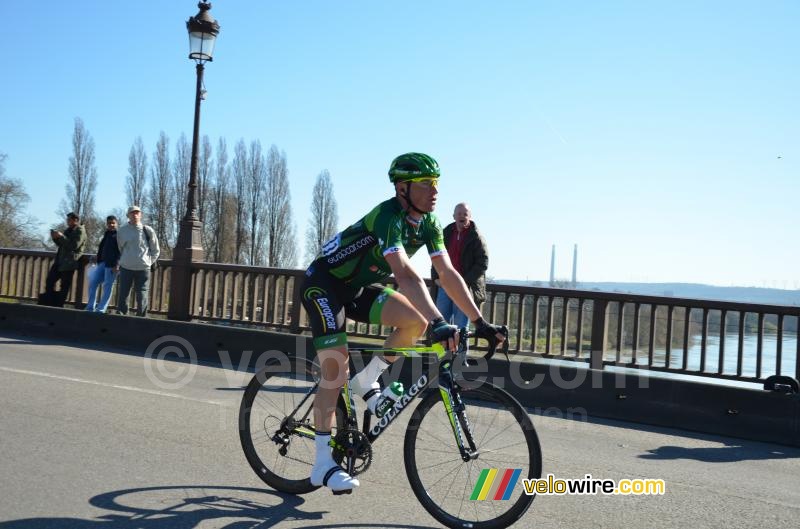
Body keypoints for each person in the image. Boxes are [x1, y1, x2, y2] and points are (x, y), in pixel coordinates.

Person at [301, 152, 506, 493]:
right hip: (323, 283)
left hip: (356, 287)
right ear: (402, 188)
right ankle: (322, 463)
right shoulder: (387, 217)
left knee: (415, 323)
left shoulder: (427, 223)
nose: (434, 190)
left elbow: (447, 273)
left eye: (436, 183)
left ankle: (368, 379)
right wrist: (441, 319)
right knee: (335, 370)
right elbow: (406, 275)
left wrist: (479, 321)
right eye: (426, 183)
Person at [431, 203, 489, 329]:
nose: (462, 216)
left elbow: (483, 262)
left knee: (461, 326)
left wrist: (464, 281)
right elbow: (435, 256)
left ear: (470, 216)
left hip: (465, 288)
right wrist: (435, 278)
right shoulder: (445, 233)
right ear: (454, 216)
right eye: (459, 214)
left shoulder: (476, 237)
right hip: (444, 285)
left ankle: (460, 350)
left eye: (465, 214)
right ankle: (441, 349)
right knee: (441, 324)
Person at [116, 205, 159, 316]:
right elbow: (120, 247)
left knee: (142, 294)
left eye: (137, 213)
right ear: (128, 215)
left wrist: (149, 262)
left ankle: (142, 318)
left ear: (140, 215)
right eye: (132, 213)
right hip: (126, 267)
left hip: (143, 268)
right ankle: (122, 317)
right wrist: (124, 260)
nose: (135, 215)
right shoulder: (122, 230)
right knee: (123, 294)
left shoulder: (148, 230)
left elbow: (156, 249)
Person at [41, 212, 86, 307]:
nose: (67, 221)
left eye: (69, 220)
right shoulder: (69, 230)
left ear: (76, 220)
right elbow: (62, 244)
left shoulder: (80, 231)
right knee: (50, 281)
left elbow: (74, 246)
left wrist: (61, 236)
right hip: (60, 261)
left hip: (69, 262)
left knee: (64, 286)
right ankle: (50, 301)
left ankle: (58, 305)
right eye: (67, 220)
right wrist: (55, 238)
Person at [85, 215, 121, 313]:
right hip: (102, 263)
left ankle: (101, 309)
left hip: (112, 265)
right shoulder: (106, 234)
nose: (111, 225)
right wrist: (97, 257)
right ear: (107, 224)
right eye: (109, 223)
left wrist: (117, 264)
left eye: (113, 223)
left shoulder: (119, 235)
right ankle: (90, 307)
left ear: (117, 223)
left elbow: (121, 251)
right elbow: (103, 248)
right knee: (93, 283)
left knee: (107, 286)